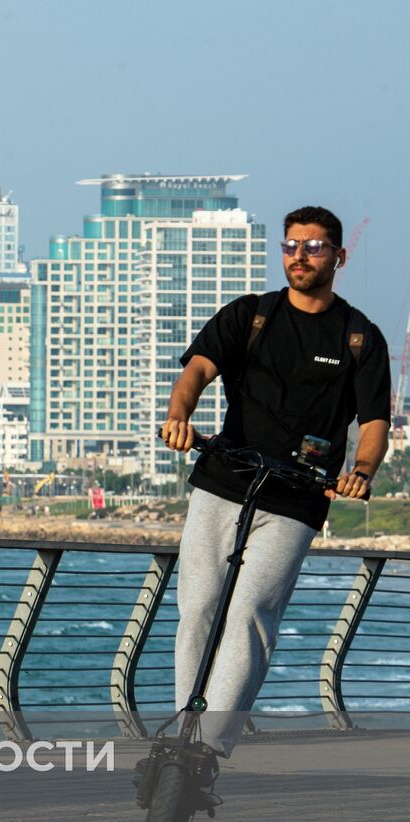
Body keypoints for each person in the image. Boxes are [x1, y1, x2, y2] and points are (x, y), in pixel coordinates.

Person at [160, 205, 391, 760]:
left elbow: (375, 422)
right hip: (223, 480)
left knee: (249, 616)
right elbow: (196, 371)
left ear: (339, 256)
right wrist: (179, 416)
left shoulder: (361, 337)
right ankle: (184, 733)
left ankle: (208, 751)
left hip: (296, 498)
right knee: (198, 609)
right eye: (291, 245)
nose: (300, 256)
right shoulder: (251, 315)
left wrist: (361, 472)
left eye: (313, 247)